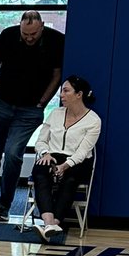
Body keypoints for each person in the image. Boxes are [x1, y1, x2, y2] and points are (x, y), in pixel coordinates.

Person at [0, 10, 64, 222]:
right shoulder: (8, 35)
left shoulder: (56, 40)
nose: (29, 38)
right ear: (20, 28)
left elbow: (57, 75)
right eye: (25, 34)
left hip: (30, 109)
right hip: (1, 101)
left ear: (42, 27)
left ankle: (3, 206)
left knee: (13, 154)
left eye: (33, 34)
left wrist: (43, 102)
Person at [30, 76, 102, 242]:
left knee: (70, 179)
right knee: (41, 172)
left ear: (79, 94)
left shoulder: (93, 120)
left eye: (66, 90)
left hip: (77, 161)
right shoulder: (55, 113)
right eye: (61, 90)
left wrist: (65, 165)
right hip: (52, 155)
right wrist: (45, 153)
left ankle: (52, 224)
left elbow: (83, 151)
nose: (61, 94)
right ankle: (50, 224)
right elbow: (40, 140)